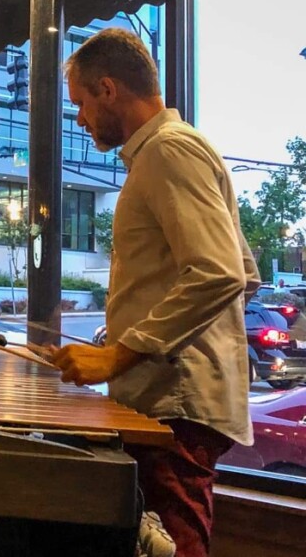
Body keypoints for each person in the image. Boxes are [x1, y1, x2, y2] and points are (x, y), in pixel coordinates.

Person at [52, 28, 260, 557]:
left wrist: (121, 354)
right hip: (170, 393)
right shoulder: (167, 151)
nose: (79, 118)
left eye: (79, 103)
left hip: (176, 400)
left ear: (107, 89)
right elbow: (246, 271)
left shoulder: (169, 151)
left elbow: (219, 273)